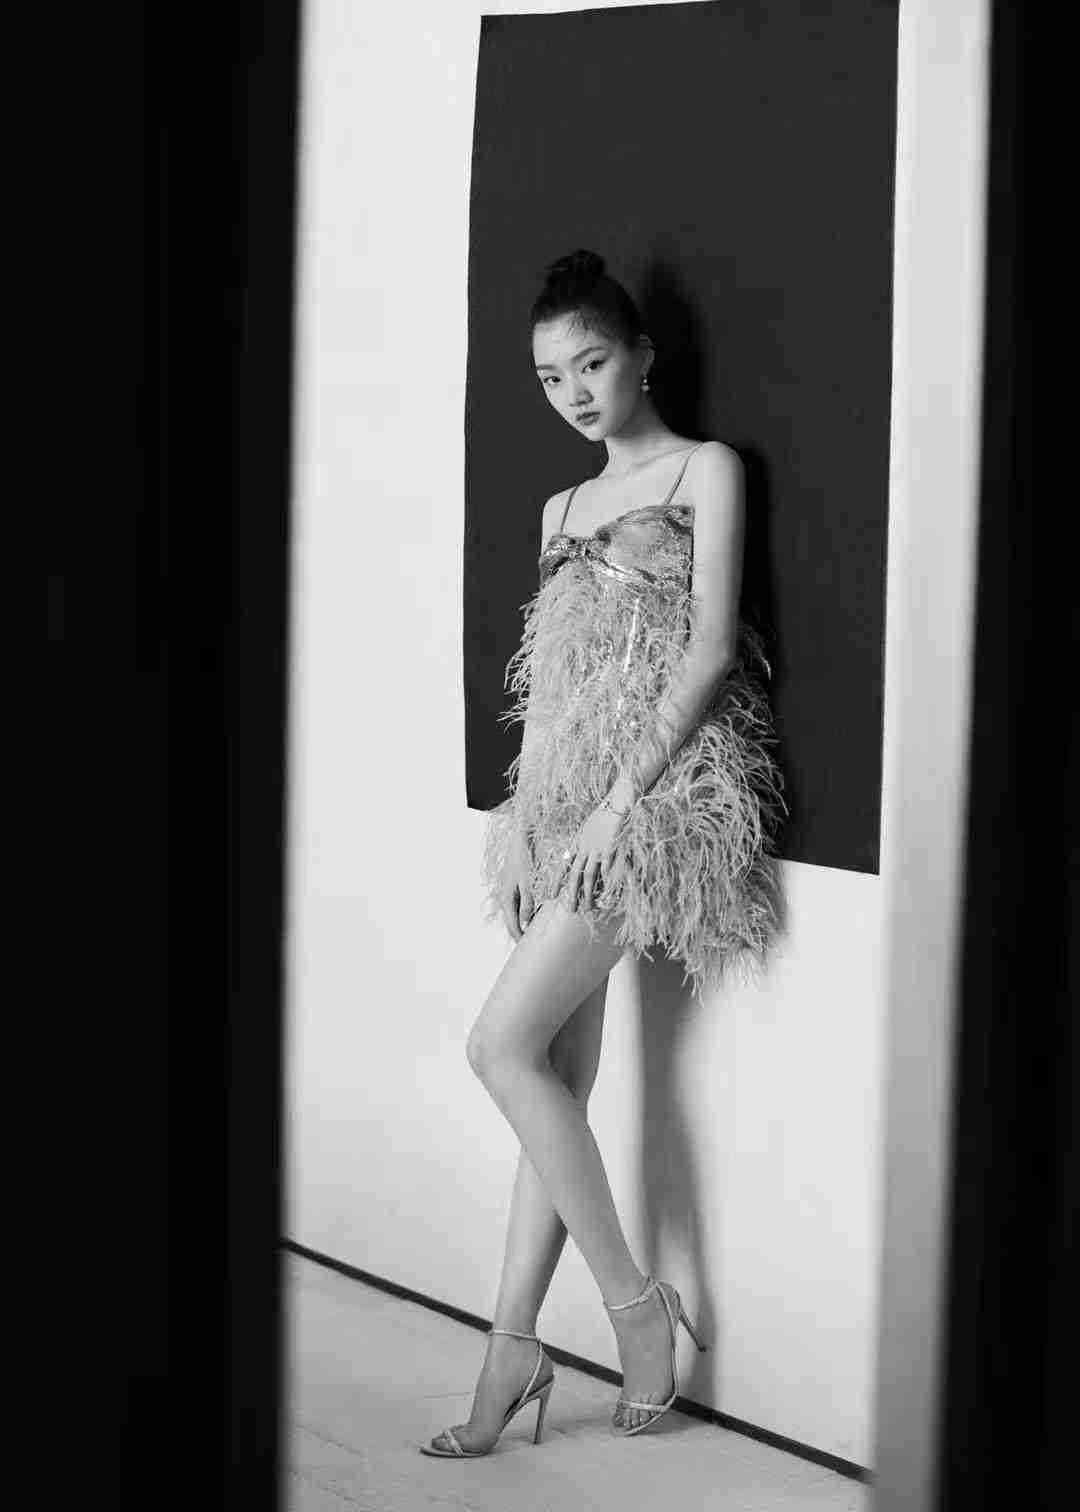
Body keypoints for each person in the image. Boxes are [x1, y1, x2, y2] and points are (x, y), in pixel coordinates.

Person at [421, 249, 787, 1458]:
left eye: (591, 363)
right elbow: (550, 688)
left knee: (499, 1046)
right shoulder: (558, 510)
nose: (575, 392)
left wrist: (617, 808)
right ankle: (511, 1346)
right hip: (566, 808)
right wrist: (526, 827)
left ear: (642, 356)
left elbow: (711, 647)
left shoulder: (705, 470)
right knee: (556, 1083)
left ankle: (637, 1310)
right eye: (550, 377)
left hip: (663, 800)